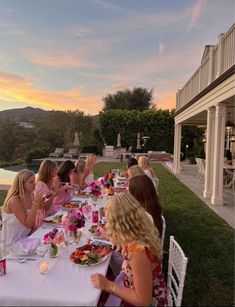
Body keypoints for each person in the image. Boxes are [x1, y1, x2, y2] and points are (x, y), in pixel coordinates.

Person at [90, 192, 167, 306]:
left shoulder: (138, 253)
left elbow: (143, 301)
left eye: (110, 222)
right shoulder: (137, 233)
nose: (107, 225)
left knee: (97, 295)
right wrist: (108, 237)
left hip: (146, 301)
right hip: (132, 286)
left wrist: (108, 285)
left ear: (120, 224)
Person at [1, 169, 45, 247]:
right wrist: (35, 204)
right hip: (13, 243)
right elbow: (27, 224)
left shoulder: (30, 195)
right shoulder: (14, 200)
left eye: (34, 181)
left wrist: (36, 233)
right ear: (22, 184)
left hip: (26, 238)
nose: (34, 184)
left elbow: (32, 221)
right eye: (31, 182)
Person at [33, 160, 58, 228]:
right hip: (44, 218)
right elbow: (45, 207)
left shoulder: (51, 182)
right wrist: (53, 194)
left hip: (52, 214)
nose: (57, 170)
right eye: (55, 168)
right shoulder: (40, 185)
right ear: (49, 170)